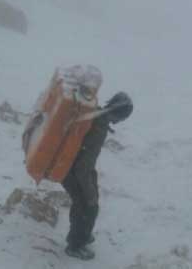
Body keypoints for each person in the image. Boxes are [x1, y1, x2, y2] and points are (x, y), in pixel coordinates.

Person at [62, 92, 134, 260]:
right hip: (72, 170)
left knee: (87, 202)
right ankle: (75, 244)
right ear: (119, 114)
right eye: (123, 118)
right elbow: (83, 165)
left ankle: (83, 234)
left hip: (71, 166)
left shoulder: (95, 114)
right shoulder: (99, 127)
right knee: (87, 206)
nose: (121, 121)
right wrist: (89, 191)